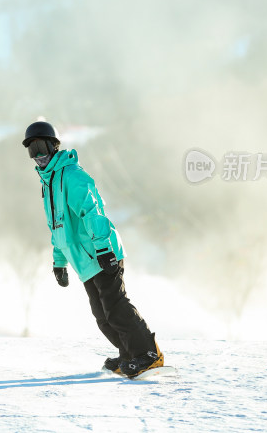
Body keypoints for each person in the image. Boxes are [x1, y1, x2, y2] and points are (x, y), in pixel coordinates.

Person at [22, 120, 163, 378]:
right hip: (85, 263)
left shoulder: (72, 176)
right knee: (103, 317)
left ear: (54, 146)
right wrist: (59, 262)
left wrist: (104, 248)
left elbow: (92, 212)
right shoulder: (49, 183)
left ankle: (148, 354)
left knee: (115, 307)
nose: (39, 156)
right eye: (32, 151)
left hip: (101, 254)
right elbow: (58, 228)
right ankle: (128, 354)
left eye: (42, 147)